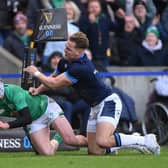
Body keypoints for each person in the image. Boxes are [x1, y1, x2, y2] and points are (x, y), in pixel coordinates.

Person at [24, 32, 160, 155]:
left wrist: (36, 73)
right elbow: (53, 77)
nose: (65, 50)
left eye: (69, 49)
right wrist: (38, 90)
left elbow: (54, 84)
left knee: (103, 141)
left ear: (79, 51)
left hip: (108, 102)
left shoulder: (81, 67)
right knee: (95, 151)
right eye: (66, 46)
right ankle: (131, 142)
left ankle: (144, 140)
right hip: (94, 106)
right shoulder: (65, 60)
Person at [0, 81, 87, 155]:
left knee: (70, 141)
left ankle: (92, 143)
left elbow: (27, 118)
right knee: (47, 153)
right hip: (35, 120)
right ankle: (58, 138)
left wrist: (7, 125)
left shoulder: (13, 91)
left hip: (46, 107)